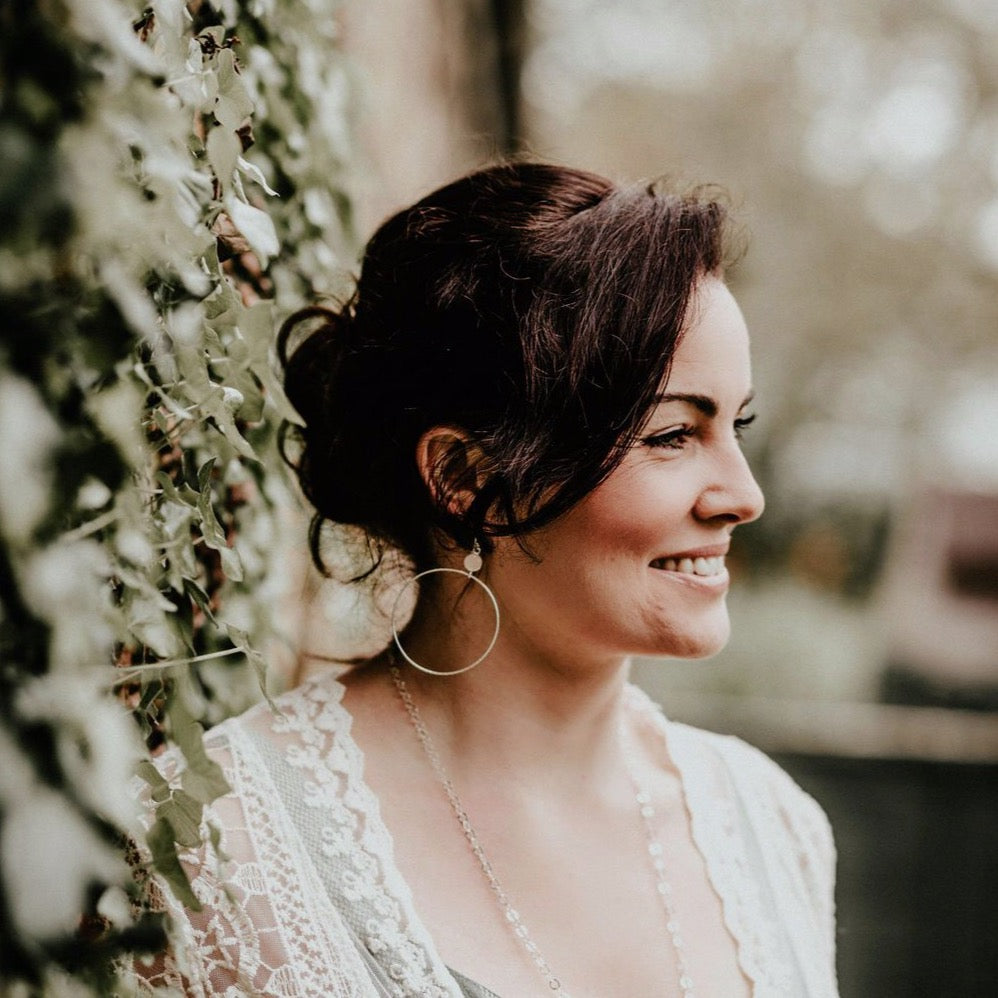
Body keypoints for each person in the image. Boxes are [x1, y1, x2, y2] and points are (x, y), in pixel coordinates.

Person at [133, 162, 838, 997]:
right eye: (673, 434)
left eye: (737, 425)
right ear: (465, 478)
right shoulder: (217, 846)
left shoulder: (772, 829)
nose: (744, 498)